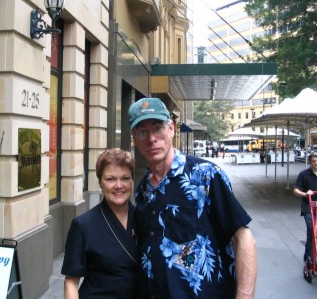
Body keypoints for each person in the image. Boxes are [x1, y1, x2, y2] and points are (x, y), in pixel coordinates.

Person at [128, 97, 257, 298]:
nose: (151, 138)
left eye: (158, 128)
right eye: (142, 131)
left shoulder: (205, 176)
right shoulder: (143, 190)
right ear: (134, 138)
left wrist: (245, 296)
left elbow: (243, 239)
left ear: (171, 129)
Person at [61, 148, 139, 298]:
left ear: (132, 180)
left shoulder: (144, 219)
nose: (118, 185)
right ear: (100, 183)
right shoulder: (83, 225)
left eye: (125, 178)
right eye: (110, 179)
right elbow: (71, 281)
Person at [293, 152, 317, 276]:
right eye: (314, 161)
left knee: (312, 234)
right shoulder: (304, 174)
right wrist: (305, 194)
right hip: (309, 207)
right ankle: (310, 258)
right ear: (310, 162)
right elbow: (296, 190)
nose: (316, 163)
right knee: (312, 231)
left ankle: (308, 256)